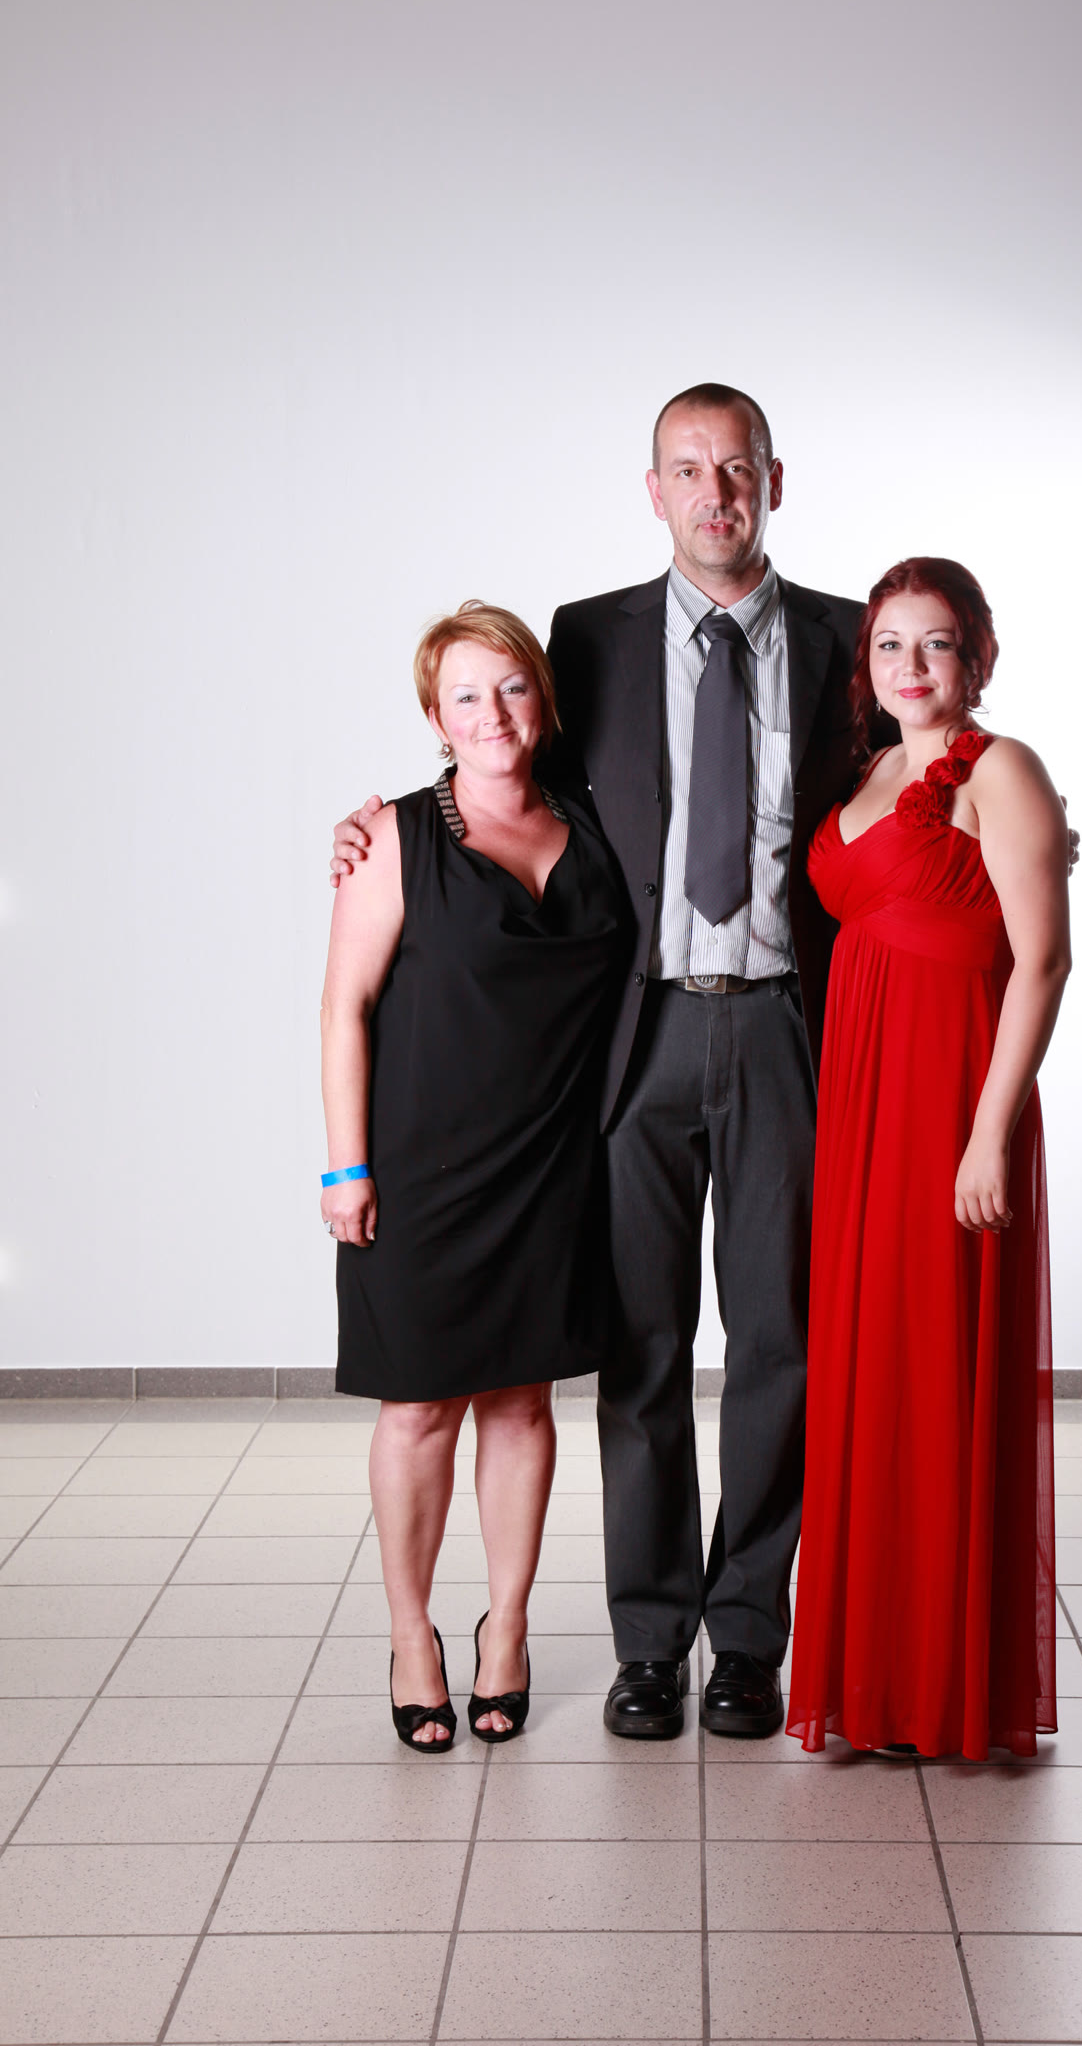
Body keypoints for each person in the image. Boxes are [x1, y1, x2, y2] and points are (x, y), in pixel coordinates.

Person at [333, 385, 868, 1740]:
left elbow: (909, 774)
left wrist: (1011, 809)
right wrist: (379, 827)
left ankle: (747, 1640)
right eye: (687, 469)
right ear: (653, 491)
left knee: (779, 1346)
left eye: (736, 468)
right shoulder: (589, 638)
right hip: (634, 1042)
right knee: (639, 1348)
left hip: (784, 1025)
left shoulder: (843, 638)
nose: (713, 492)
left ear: (774, 480)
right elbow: (501, 762)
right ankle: (648, 1643)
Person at [320, 602, 627, 1750]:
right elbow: (343, 1008)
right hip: (419, 1171)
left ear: (542, 698)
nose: (492, 713)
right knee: (416, 1408)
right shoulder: (395, 837)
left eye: (511, 687)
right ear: (434, 717)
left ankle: (508, 1627)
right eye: (465, 695)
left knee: (521, 1401)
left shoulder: (598, 820)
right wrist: (344, 1164)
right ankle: (412, 1634)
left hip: (554, 1164)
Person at [786, 557, 1067, 1760]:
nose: (911, 664)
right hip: (862, 1103)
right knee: (875, 1370)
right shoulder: (872, 771)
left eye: (936, 642)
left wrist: (989, 1130)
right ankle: (879, 1676)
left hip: (951, 1101)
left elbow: (1043, 961)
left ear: (977, 654)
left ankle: (944, 1682)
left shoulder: (1001, 769)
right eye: (890, 643)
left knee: (939, 1368)